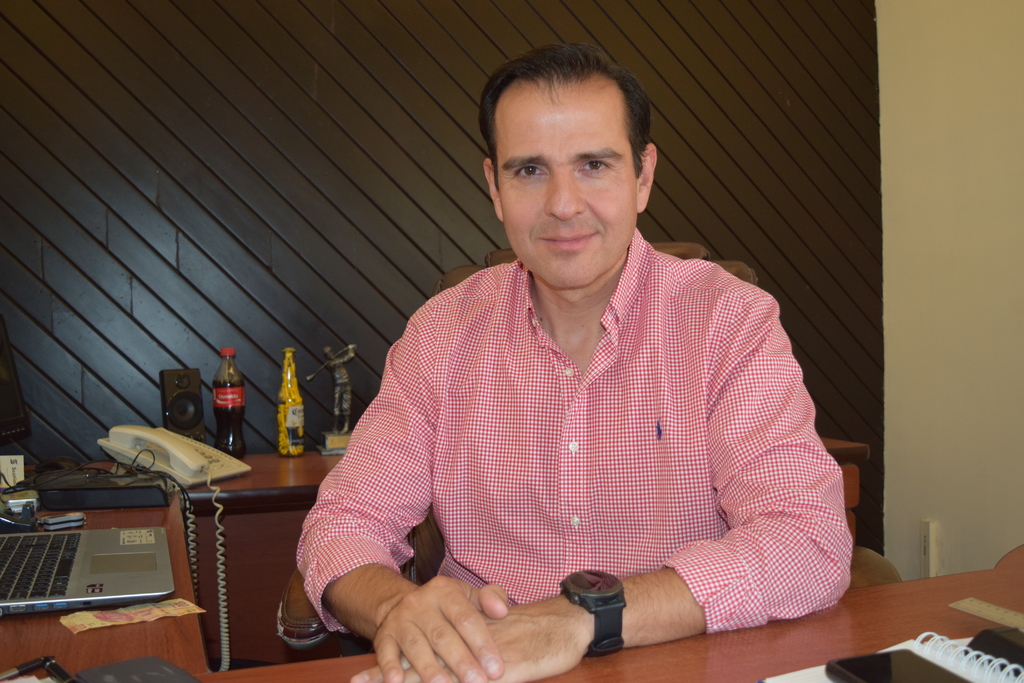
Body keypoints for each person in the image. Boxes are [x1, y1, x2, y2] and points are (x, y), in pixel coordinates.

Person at [298, 43, 851, 683]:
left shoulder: (729, 323)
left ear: (642, 176)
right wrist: (405, 611)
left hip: (673, 665)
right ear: (494, 187)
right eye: (530, 170)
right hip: (483, 667)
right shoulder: (441, 336)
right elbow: (343, 524)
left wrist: (584, 618)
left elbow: (806, 541)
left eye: (593, 164)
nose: (563, 204)